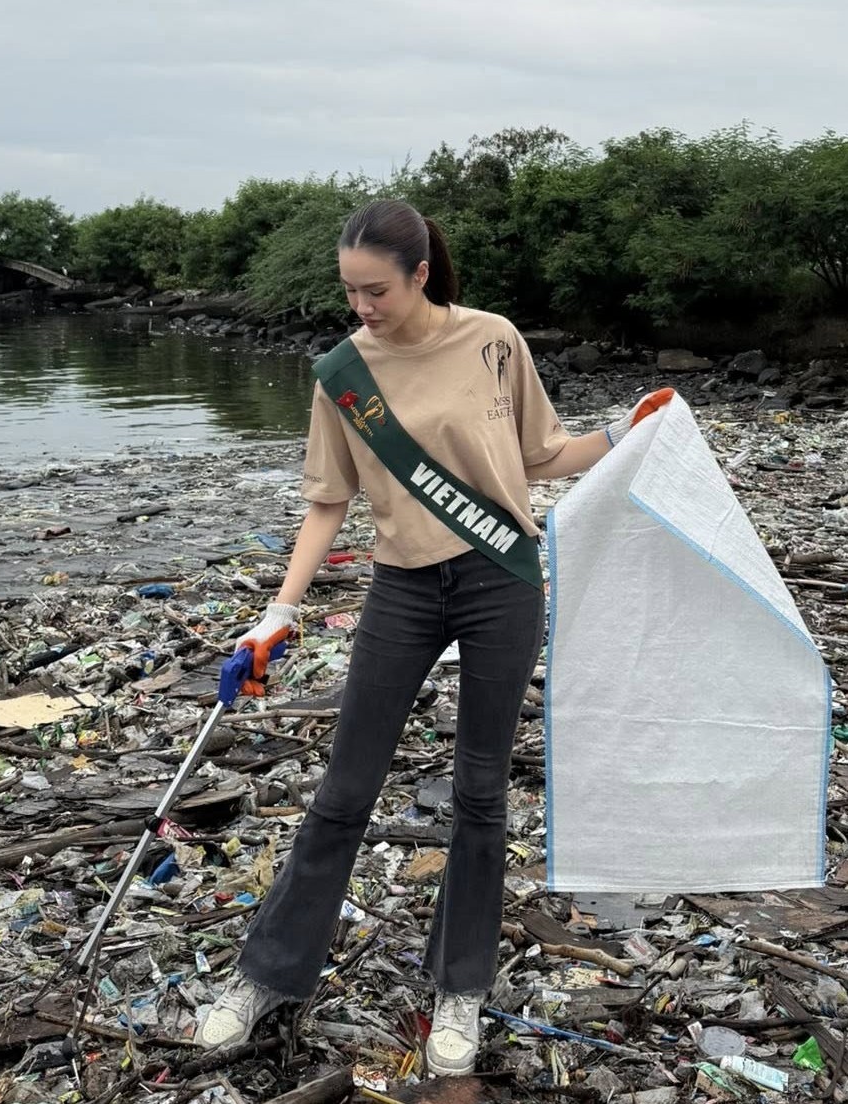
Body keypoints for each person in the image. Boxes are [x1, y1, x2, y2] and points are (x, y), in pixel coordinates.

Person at [195, 200, 658, 1076]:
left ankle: (460, 988)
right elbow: (327, 502)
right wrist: (279, 611)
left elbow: (541, 455)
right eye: (349, 291)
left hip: (501, 582)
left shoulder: (493, 341)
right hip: (402, 588)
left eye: (376, 290)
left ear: (419, 273)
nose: (361, 307)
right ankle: (266, 976)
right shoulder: (343, 374)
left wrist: (627, 430)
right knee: (344, 791)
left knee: (481, 793)